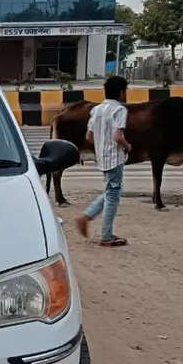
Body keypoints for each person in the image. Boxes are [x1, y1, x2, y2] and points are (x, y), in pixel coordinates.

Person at [76, 75, 131, 247]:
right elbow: (117, 136)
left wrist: (101, 145)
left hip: (102, 158)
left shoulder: (97, 110)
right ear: (121, 92)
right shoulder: (119, 110)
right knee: (113, 194)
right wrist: (127, 146)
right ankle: (106, 236)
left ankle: (86, 217)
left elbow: (89, 136)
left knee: (111, 191)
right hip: (115, 158)